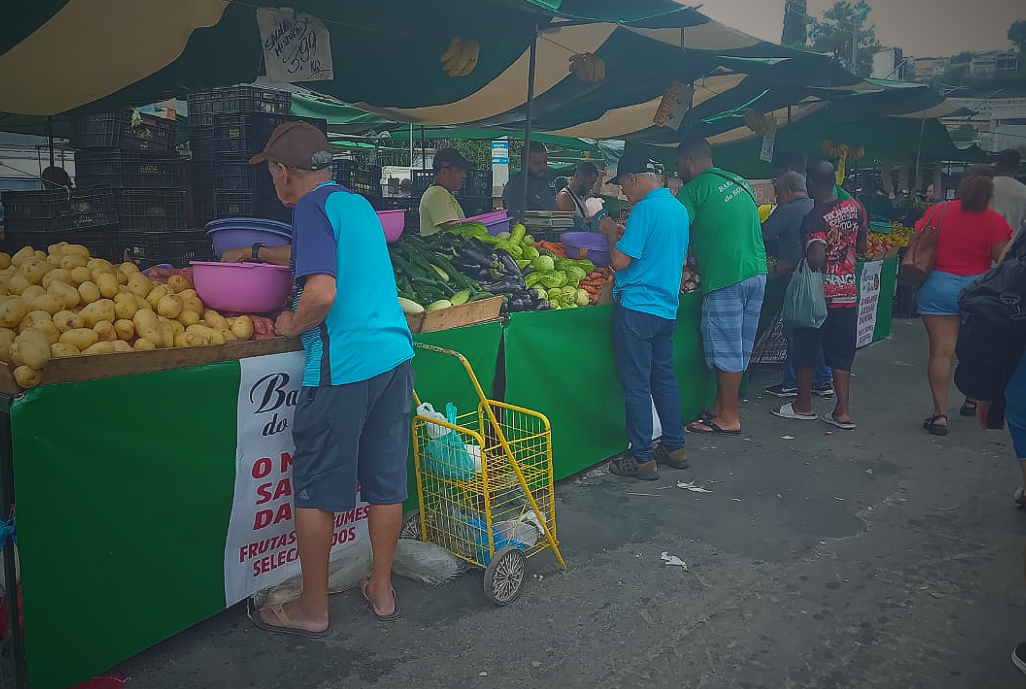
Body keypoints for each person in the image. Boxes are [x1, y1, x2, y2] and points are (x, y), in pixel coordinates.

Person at [247, 121, 414, 637]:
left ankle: (312, 609)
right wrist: (253, 256)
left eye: (273, 171)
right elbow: (319, 258)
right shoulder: (354, 204)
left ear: (282, 172)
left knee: (318, 487)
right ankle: (382, 591)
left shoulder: (309, 208)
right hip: (394, 356)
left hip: (345, 366)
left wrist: (290, 325)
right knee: (385, 482)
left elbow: (320, 292)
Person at [596, 151, 690, 481]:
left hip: (637, 308)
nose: (623, 192)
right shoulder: (678, 209)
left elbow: (620, 262)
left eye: (623, 185)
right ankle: (675, 446)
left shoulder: (645, 209)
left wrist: (609, 232)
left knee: (636, 384)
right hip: (666, 308)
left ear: (634, 178)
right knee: (663, 378)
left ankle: (642, 458)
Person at [675, 137, 767, 435]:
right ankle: (719, 407)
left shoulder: (694, 189)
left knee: (726, 346)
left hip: (726, 274)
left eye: (678, 164)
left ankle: (729, 416)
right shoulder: (739, 181)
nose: (679, 171)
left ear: (689, 159)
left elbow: (673, 232)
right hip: (756, 271)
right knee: (740, 345)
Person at [916, 173, 1012, 436]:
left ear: (961, 189)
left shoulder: (939, 211)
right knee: (975, 350)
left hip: (938, 287)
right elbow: (1003, 260)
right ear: (989, 195)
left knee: (941, 353)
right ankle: (971, 399)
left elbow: (919, 237)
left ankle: (939, 416)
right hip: (978, 293)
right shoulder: (995, 221)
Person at [774, 161, 867, 429]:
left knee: (805, 349)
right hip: (847, 293)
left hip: (818, 298)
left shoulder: (814, 219)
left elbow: (815, 259)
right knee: (841, 354)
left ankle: (803, 406)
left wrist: (793, 261)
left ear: (812, 183)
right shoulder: (855, 208)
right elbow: (861, 244)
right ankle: (842, 411)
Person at [760, 171, 833, 399]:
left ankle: (792, 381)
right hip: (824, 279)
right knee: (816, 327)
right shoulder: (820, 206)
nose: (777, 198)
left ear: (788, 192)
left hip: (798, 279)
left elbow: (762, 233)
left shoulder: (788, 210)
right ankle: (823, 379)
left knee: (795, 331)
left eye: (778, 194)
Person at [419, 148, 469, 236]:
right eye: (459, 171)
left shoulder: (443, 193)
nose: (464, 176)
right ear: (444, 171)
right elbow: (455, 229)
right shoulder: (437, 195)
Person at [503, 141, 556, 214]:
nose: (543, 167)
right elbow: (516, 218)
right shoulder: (516, 186)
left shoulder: (543, 182)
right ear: (524, 163)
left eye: (545, 162)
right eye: (537, 163)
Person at [992, 149, 1026, 239]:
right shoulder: (1024, 191)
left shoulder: (984, 186)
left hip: (985, 241)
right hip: (1010, 244)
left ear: (997, 165)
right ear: (1018, 166)